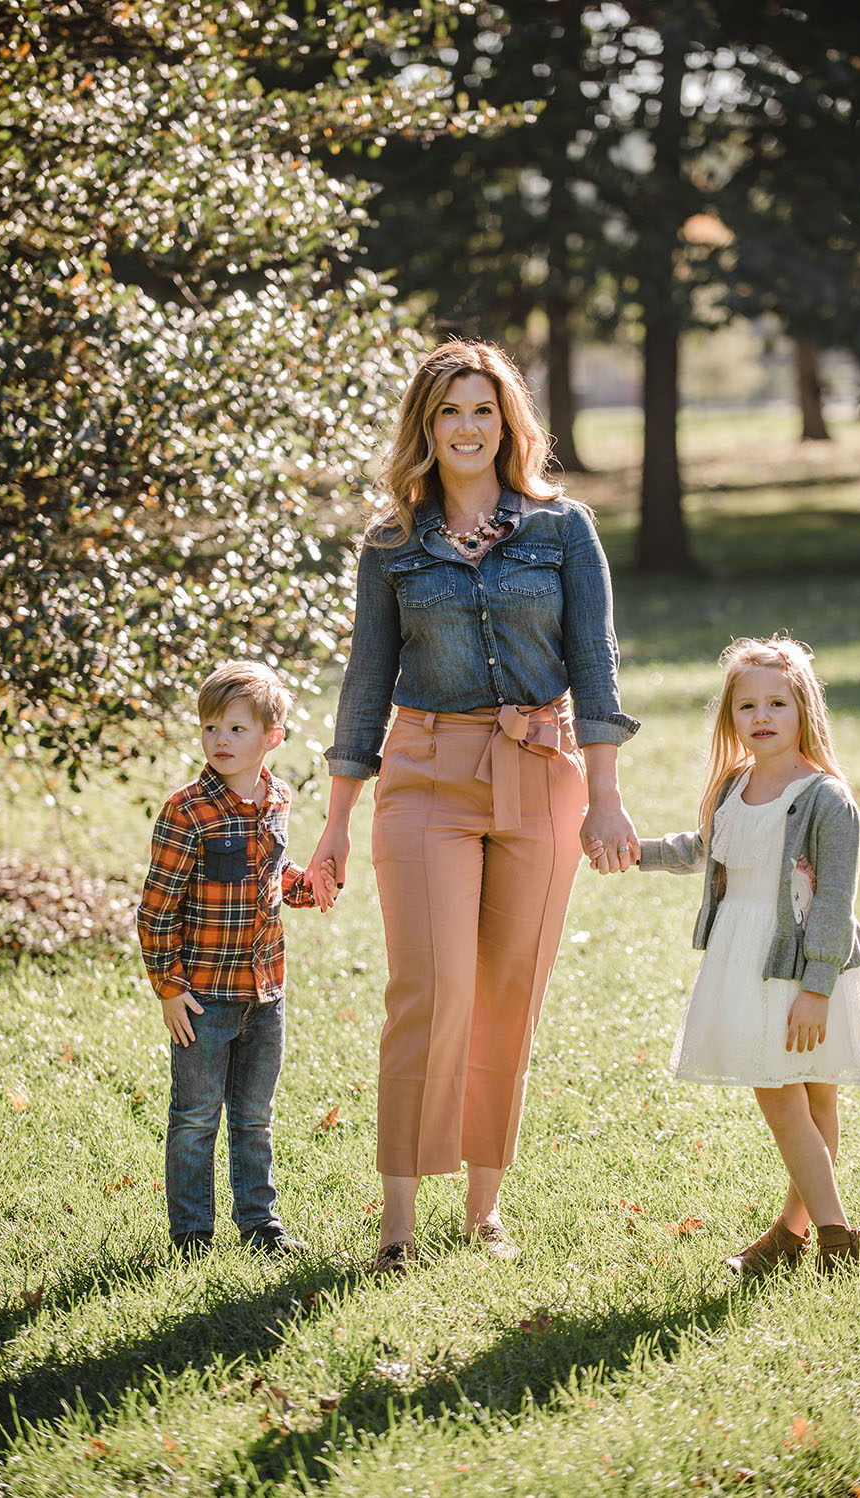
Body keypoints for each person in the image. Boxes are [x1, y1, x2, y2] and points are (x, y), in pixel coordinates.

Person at [304, 340, 639, 1273]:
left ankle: (485, 1212)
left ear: (508, 424)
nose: (467, 427)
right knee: (430, 990)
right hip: (425, 773)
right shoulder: (391, 546)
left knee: (506, 994)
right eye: (450, 411)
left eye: (483, 411)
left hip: (540, 767)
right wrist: (334, 823)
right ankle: (398, 1228)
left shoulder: (562, 531)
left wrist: (605, 799)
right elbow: (365, 685)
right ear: (426, 426)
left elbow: (597, 667)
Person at [592, 636, 860, 1276]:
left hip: (805, 964)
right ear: (731, 716)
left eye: (777, 702)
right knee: (799, 1099)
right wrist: (636, 850)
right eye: (747, 705)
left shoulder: (826, 798)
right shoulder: (733, 786)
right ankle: (792, 1232)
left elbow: (835, 901)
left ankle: (836, 1238)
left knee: (798, 1098)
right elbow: (703, 847)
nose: (762, 716)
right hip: (742, 957)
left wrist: (816, 987)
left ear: (804, 708)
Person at [137, 660, 336, 1257]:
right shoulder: (187, 810)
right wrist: (169, 988)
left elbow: (271, 879)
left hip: (265, 993)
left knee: (254, 1117)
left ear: (272, 737)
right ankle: (191, 1236)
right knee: (195, 1118)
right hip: (202, 996)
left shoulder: (276, 798)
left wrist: (314, 884)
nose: (219, 740)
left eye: (235, 729)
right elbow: (156, 909)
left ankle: (261, 1225)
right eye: (210, 729)